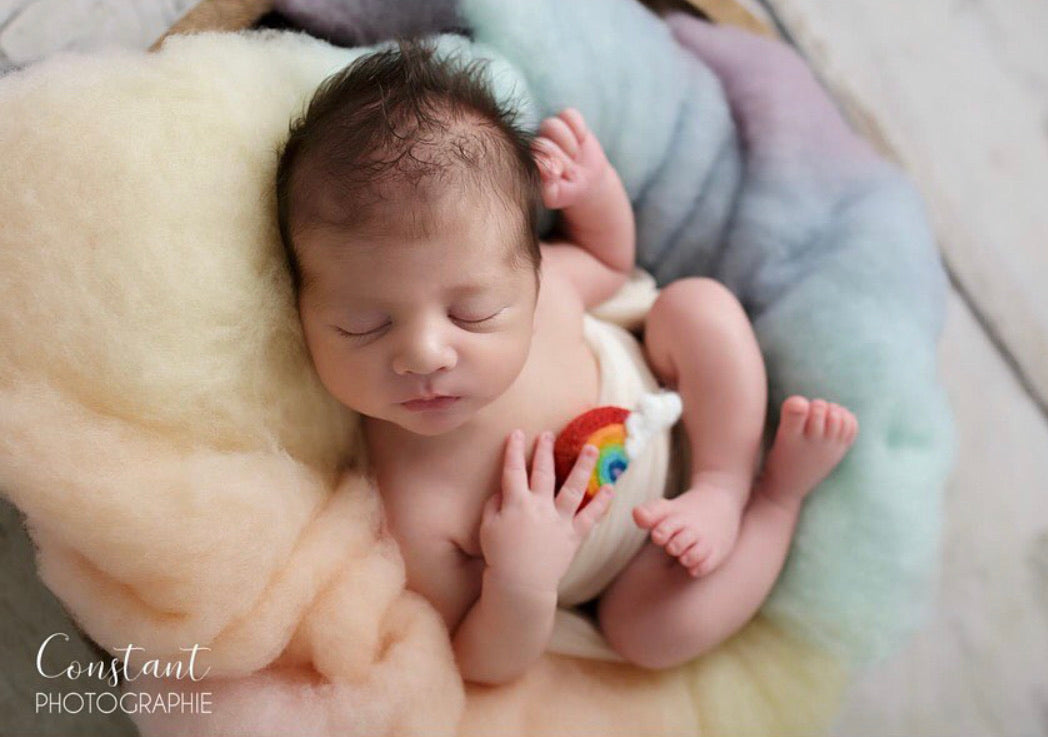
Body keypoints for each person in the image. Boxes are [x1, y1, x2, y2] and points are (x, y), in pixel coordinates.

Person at [275, 41, 857, 685]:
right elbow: (479, 661)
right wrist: (522, 581)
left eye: (471, 314)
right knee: (651, 633)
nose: (422, 355)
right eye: (363, 324)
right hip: (637, 565)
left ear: (527, 274)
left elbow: (610, 261)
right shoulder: (414, 511)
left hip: (688, 407)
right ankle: (779, 499)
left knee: (698, 309)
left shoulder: (548, 289)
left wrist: (594, 192)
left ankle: (728, 486)